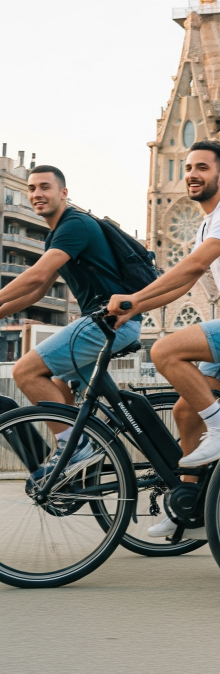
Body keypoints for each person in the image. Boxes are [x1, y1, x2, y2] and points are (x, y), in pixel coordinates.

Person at [106, 141, 220, 537]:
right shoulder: (209, 223)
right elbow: (186, 281)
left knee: (164, 349)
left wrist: (133, 298)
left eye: (203, 167)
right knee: (186, 412)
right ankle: (192, 510)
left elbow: (194, 264)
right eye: (188, 167)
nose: (192, 173)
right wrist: (133, 309)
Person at [1, 166, 142, 481]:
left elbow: (36, 274)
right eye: (32, 188)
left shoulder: (74, 224)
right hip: (108, 323)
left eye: (45, 187)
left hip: (108, 320)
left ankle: (78, 449)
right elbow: (39, 289)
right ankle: (75, 461)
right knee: (58, 385)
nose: (37, 194)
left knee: (25, 371)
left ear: (63, 193)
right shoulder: (59, 232)